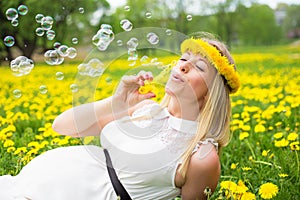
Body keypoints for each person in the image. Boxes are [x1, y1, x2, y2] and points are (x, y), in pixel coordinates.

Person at [0, 35, 240, 200]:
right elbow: (62, 126)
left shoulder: (201, 156)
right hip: (29, 183)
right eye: (184, 59)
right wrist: (114, 103)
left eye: (199, 66)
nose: (183, 66)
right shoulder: (148, 109)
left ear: (213, 92)